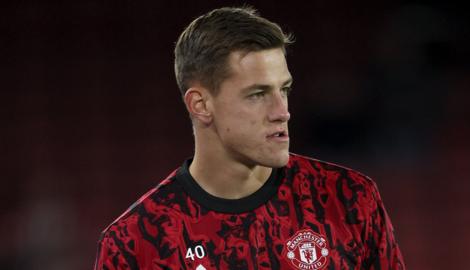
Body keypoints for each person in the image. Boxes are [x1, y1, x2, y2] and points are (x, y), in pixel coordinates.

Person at [94, 6, 405, 270]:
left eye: (284, 89)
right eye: (257, 94)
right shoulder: (135, 243)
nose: (282, 111)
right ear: (201, 105)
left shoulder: (349, 198)